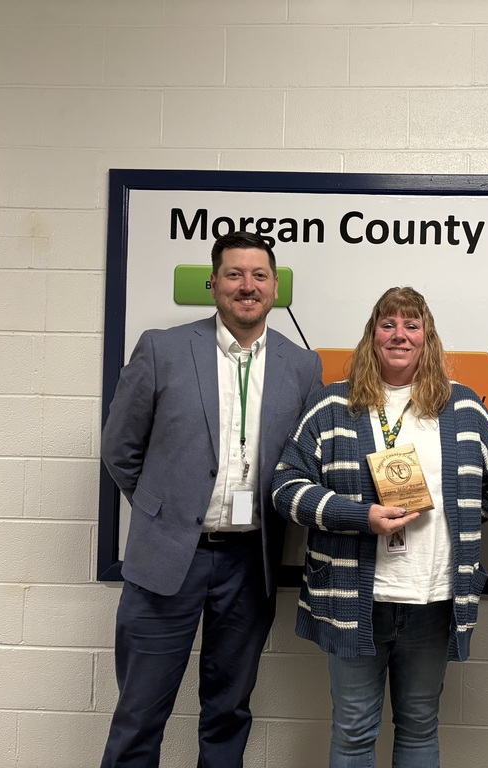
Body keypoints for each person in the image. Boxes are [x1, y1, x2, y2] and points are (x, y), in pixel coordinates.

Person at [99, 231, 323, 767]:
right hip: (168, 559)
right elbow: (120, 449)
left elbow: (304, 462)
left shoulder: (302, 366)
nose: (247, 286)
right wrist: (163, 512)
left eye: (259, 275)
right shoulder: (163, 349)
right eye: (234, 274)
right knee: (139, 714)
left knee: (228, 713)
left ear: (275, 287)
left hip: (249, 563)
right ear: (214, 283)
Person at [272, 286, 488, 767]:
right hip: (355, 599)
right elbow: (286, 487)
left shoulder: (463, 407)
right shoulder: (332, 405)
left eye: (412, 325)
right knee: (354, 729)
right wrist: (361, 517)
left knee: (420, 726)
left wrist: (461, 517)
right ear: (372, 335)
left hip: (432, 599)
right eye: (388, 324)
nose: (400, 334)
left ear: (427, 338)